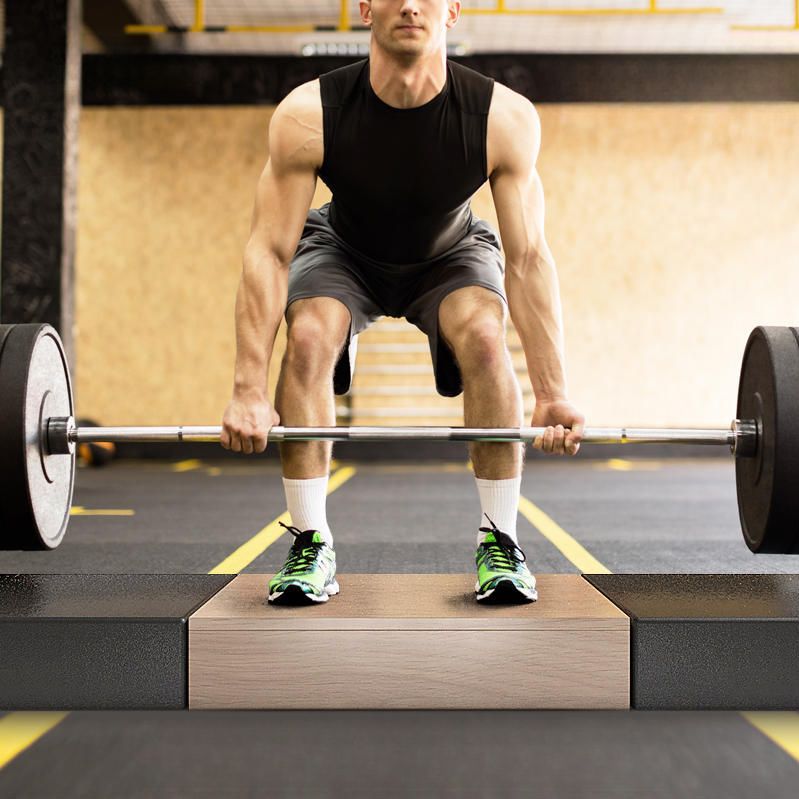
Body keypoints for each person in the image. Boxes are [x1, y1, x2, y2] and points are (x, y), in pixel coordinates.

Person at [221, 0, 585, 605]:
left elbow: (526, 260)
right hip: (343, 249)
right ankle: (310, 542)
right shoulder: (310, 113)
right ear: (365, 8)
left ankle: (500, 541)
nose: (410, 4)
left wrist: (551, 392)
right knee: (310, 336)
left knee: (487, 340)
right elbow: (268, 254)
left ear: (453, 11)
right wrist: (247, 389)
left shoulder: (502, 117)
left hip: (450, 252)